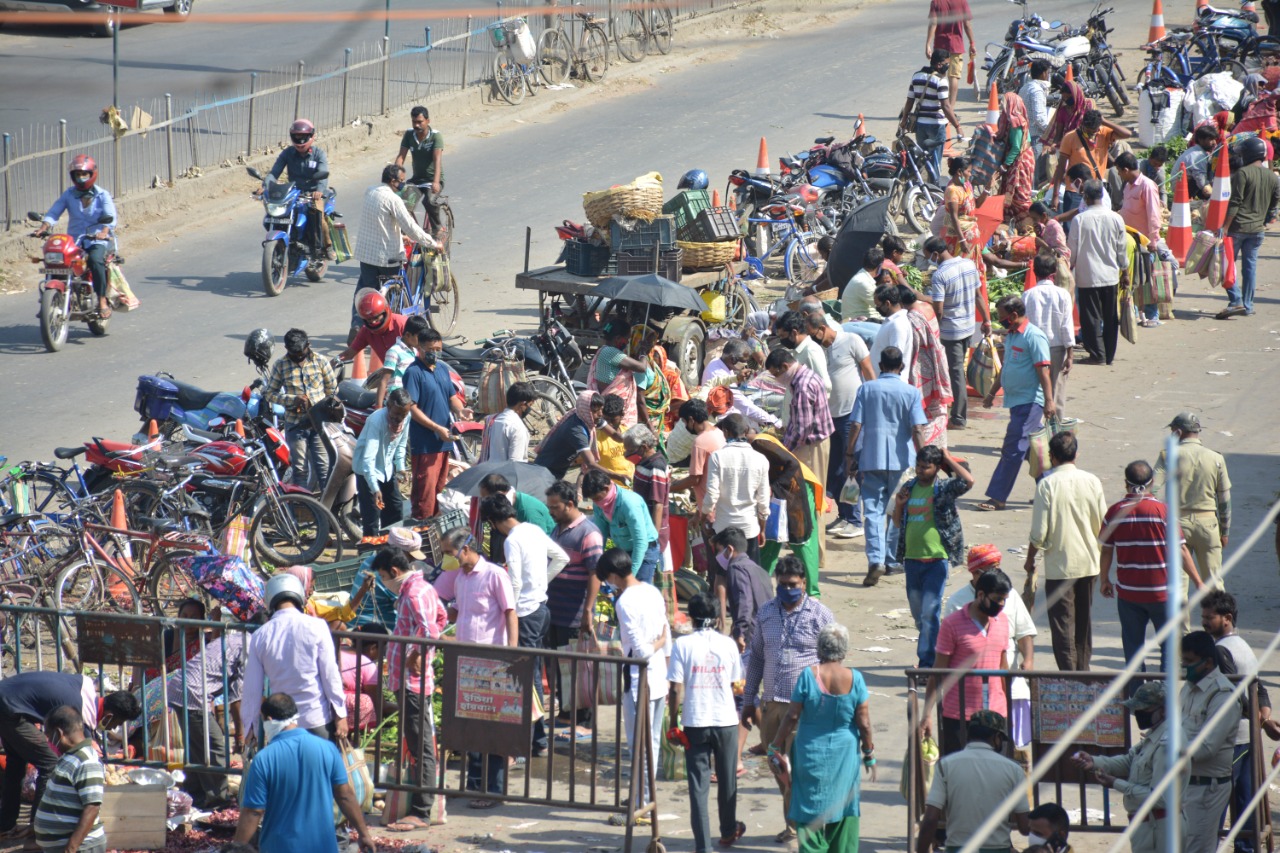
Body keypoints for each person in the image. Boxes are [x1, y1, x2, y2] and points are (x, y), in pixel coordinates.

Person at [741, 556, 834, 844]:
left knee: (803, 769)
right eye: (782, 585)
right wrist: (748, 700)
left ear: (804, 583)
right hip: (771, 705)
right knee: (778, 766)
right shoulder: (766, 612)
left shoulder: (821, 616)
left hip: (806, 708)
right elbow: (756, 658)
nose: (787, 589)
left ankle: (802, 826)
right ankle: (794, 820)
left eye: (792, 585)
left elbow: (832, 664)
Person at [768, 624, 874, 853]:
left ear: (819, 650)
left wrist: (775, 745)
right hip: (845, 755)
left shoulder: (808, 675)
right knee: (843, 810)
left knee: (810, 809)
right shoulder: (856, 679)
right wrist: (869, 753)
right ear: (844, 651)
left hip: (810, 753)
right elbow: (864, 723)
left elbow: (791, 716)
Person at [0, 675, 140, 840]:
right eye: (116, 723)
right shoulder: (78, 708)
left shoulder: (84, 687)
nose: (114, 727)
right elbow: (75, 748)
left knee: (16, 762)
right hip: (10, 709)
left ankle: (5, 825)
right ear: (108, 716)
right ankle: (38, 832)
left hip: (7, 701)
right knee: (50, 763)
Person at [233, 693, 376, 853]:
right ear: (295, 716)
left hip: (279, 846)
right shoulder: (327, 748)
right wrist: (364, 834)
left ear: (269, 720)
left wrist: (236, 847)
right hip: (323, 847)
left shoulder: (263, 759)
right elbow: (345, 796)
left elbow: (253, 811)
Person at [482, 493, 568, 754]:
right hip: (542, 609)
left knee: (527, 679)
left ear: (494, 522)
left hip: (526, 615)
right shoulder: (532, 529)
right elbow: (562, 558)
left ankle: (533, 741)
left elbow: (516, 583)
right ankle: (536, 739)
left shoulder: (512, 541)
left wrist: (512, 613)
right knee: (533, 674)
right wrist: (541, 584)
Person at [1099, 460, 1203, 672]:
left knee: (1133, 650)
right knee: (1168, 648)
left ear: (1125, 484)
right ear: (1152, 482)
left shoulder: (1114, 512)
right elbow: (1181, 550)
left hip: (1129, 595)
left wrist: (1104, 580)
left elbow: (1107, 549)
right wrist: (1199, 582)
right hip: (1162, 595)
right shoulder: (1163, 511)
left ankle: (1138, 699)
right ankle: (1164, 697)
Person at [441, 527, 517, 805]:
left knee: (491, 729)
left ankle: (493, 791)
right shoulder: (460, 578)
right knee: (470, 727)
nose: (447, 558)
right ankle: (475, 785)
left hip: (493, 662)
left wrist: (512, 652)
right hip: (466, 660)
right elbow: (458, 611)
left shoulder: (495, 575)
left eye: (449, 552)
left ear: (465, 549)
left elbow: (510, 613)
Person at [1202, 590, 1280, 853]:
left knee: (1215, 804)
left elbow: (1236, 696)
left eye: (1208, 617)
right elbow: (1259, 690)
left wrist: (1263, 722)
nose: (1203, 622)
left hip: (1232, 740)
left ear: (1226, 618)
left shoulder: (1220, 650)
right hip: (1248, 739)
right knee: (1246, 804)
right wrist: (1265, 718)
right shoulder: (1243, 646)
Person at [668, 593, 746, 853]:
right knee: (727, 781)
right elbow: (738, 686)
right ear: (715, 618)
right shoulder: (729, 644)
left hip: (695, 722)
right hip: (725, 721)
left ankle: (703, 846)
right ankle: (727, 831)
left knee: (698, 787)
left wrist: (672, 721)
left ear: (690, 617)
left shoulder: (682, 645)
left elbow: (676, 689)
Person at [375, 547, 447, 829]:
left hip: (412, 681)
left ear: (393, 571)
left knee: (421, 746)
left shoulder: (416, 593)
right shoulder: (419, 589)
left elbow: (429, 629)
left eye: (383, 576)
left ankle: (421, 811)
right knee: (418, 743)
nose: (383, 582)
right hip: (407, 678)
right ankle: (421, 807)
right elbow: (441, 618)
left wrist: (417, 654)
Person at [1025, 432, 1106, 671]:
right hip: (1089, 563)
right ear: (1076, 454)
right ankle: (1083, 672)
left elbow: (1039, 534)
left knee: (1062, 625)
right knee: (1083, 623)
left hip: (1061, 566)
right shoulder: (1092, 481)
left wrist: (1030, 560)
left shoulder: (1047, 484)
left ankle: (1071, 677)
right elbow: (1103, 524)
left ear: (1051, 457)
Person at [846, 346, 927, 586]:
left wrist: (850, 452)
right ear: (901, 367)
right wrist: (925, 459)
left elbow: (856, 425)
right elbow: (918, 429)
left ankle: (876, 559)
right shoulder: (911, 392)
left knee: (872, 511)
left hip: (871, 458)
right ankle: (891, 560)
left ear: (880, 366)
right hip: (903, 461)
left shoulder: (866, 389)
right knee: (898, 510)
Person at [596, 548, 669, 813]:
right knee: (652, 742)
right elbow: (665, 631)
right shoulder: (651, 591)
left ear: (614, 575)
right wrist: (663, 649)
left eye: (608, 578)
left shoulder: (625, 602)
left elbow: (642, 651)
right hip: (658, 676)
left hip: (642, 680)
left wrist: (658, 643)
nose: (608, 584)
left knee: (639, 743)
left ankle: (642, 801)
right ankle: (642, 796)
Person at [891, 444, 975, 667]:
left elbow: (968, 481)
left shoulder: (944, 488)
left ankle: (928, 664)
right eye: (918, 466)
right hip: (911, 561)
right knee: (920, 617)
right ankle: (938, 649)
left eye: (926, 467)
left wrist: (948, 458)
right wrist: (899, 505)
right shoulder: (908, 488)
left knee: (930, 614)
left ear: (937, 468)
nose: (920, 471)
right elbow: (897, 522)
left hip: (937, 561)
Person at [1072, 682, 1179, 853]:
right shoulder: (1154, 735)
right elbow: (1130, 761)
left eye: (1143, 710)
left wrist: (1115, 783)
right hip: (1147, 826)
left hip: (1160, 828)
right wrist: (1094, 761)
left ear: (1164, 710)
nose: (1138, 715)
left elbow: (1161, 798)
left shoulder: (1169, 743)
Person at [242, 573, 347, 743]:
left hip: (281, 724)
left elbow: (251, 688)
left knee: (285, 769)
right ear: (299, 596)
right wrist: (340, 714)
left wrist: (250, 726)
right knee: (320, 769)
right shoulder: (318, 626)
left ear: (270, 601)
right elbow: (330, 674)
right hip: (316, 718)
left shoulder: (260, 635)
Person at [922, 569, 1012, 755]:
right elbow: (938, 671)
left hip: (996, 715)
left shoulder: (1002, 621)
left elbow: (1003, 667)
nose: (1001, 604)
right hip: (959, 716)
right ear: (981, 595)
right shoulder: (952, 624)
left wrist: (1009, 709)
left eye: (1004, 599)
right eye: (997, 599)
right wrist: (926, 714)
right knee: (960, 776)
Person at [979, 295, 1055, 511]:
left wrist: (1049, 401)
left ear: (1013, 315)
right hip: (1016, 402)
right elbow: (1006, 367)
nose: (1001, 321)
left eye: (1003, 317)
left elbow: (1044, 371)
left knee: (1012, 449)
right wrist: (992, 393)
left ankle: (998, 497)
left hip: (1030, 402)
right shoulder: (1012, 335)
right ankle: (1051, 493)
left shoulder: (1034, 336)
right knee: (1034, 451)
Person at [917, 710, 1030, 853]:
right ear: (996, 737)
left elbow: (930, 819)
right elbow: (1025, 827)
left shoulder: (946, 765)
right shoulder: (1014, 770)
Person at [166, 611, 246, 809]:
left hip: (180, 687)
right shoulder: (248, 645)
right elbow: (236, 697)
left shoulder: (233, 638)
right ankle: (218, 800)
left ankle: (195, 793)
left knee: (196, 745)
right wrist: (241, 734)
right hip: (193, 693)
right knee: (215, 746)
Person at [805, 312, 873, 539]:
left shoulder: (850, 340)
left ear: (822, 328)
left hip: (851, 414)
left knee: (850, 468)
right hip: (829, 417)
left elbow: (868, 372)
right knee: (834, 470)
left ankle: (855, 519)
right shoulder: (820, 351)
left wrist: (871, 408)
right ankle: (844, 515)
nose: (814, 339)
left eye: (814, 334)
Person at [1180, 631, 1246, 853]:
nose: (1184, 666)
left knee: (1196, 847)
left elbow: (1206, 747)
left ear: (1208, 662)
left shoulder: (1223, 695)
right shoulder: (1188, 689)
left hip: (1207, 788)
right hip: (1184, 783)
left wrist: (1168, 749)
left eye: (1189, 661)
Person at [1153, 411, 1232, 592]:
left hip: (1177, 525)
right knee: (1214, 583)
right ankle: (1219, 619)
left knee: (1178, 585)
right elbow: (1224, 500)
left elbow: (1153, 490)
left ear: (1178, 432)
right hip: (1208, 525)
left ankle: (1182, 622)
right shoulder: (1216, 458)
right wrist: (1225, 531)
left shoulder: (1167, 456)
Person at [35, 155, 117, 318]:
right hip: (75, 240)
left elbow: (110, 216)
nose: (81, 178)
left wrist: (104, 232)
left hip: (97, 240)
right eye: (77, 174)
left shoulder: (102, 195)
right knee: (55, 261)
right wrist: (44, 226)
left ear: (92, 174)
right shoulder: (69, 194)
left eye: (84, 174)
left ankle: (101, 300)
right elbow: (54, 211)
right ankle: (49, 300)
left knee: (95, 260)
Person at [750, 422, 825, 596]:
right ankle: (760, 589)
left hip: (798, 490)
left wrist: (774, 487)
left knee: (802, 540)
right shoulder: (755, 446)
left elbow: (792, 464)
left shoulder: (759, 444)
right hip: (780, 492)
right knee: (769, 539)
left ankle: (812, 593)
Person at [920, 236, 987, 429]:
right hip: (968, 326)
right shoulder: (968, 264)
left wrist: (921, 299)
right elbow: (978, 295)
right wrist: (987, 320)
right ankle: (954, 410)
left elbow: (939, 308)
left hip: (952, 331)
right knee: (957, 370)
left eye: (928, 256)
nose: (929, 260)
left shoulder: (940, 275)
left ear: (935, 254)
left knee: (956, 372)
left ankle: (958, 417)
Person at [404, 327, 470, 519]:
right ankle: (423, 533)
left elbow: (452, 397)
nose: (435, 354)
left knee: (439, 491)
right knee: (425, 494)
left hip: (444, 441)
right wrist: (436, 428)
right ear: (420, 348)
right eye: (430, 350)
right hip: (425, 444)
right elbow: (412, 408)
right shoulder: (413, 373)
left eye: (438, 349)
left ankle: (436, 532)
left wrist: (461, 410)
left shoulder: (441, 369)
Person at [261, 328, 338, 490]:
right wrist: (292, 400)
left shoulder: (320, 361)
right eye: (293, 353)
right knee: (300, 471)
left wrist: (319, 404)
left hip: (318, 426)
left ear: (308, 345)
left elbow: (332, 389)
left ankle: (327, 512)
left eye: (300, 352)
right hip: (295, 425)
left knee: (324, 470)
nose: (297, 356)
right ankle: (302, 508)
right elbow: (269, 394)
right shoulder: (280, 365)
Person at [351, 168, 435, 315]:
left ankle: (357, 325)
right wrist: (432, 243)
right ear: (393, 181)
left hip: (366, 255)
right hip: (388, 258)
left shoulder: (370, 191)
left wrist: (401, 237)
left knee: (364, 294)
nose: (403, 184)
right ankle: (393, 323)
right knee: (394, 297)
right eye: (401, 181)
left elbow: (378, 222)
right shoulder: (393, 199)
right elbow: (411, 227)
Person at [765, 349, 834, 526]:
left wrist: (784, 450)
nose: (776, 379)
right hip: (814, 443)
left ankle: (813, 548)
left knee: (810, 499)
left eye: (776, 374)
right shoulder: (807, 376)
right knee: (812, 496)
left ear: (785, 367)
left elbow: (802, 429)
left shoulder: (802, 386)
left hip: (810, 446)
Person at [943, 546, 1037, 672]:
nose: (1001, 603)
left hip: (1010, 675)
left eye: (998, 568)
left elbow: (1024, 632)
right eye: (992, 568)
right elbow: (945, 652)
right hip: (970, 679)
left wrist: (1028, 661)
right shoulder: (956, 602)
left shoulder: (1010, 594)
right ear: (975, 572)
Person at [1067, 180, 1129, 366]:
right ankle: (1108, 354)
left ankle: (1097, 354)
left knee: (1091, 317)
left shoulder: (1080, 219)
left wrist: (1069, 269)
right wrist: (1124, 271)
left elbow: (1073, 249)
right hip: (1110, 275)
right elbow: (1121, 249)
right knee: (1110, 316)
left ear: (1085, 197)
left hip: (1088, 276)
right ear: (1102, 196)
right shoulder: (1116, 218)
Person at [1220, 134, 1280, 318]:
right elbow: (1275, 201)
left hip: (1237, 227)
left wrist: (1225, 227)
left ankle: (1236, 300)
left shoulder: (1242, 173)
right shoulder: (1272, 176)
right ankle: (1248, 305)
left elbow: (1235, 202)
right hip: (1257, 230)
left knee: (1226, 265)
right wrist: (1265, 218)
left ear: (1249, 154)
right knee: (1250, 267)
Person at [33, 706, 106, 853]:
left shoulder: (87, 761)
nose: (49, 742)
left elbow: (92, 807)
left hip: (81, 848)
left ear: (59, 733)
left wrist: (71, 848)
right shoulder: (69, 757)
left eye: (48, 736)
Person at [700, 414, 770, 562]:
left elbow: (712, 495)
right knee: (748, 578)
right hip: (749, 530)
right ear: (746, 431)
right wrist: (762, 528)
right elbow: (763, 500)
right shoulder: (760, 459)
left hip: (723, 528)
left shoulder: (717, 457)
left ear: (725, 432)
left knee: (721, 578)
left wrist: (703, 518)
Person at [545, 479, 603, 655]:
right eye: (549, 507)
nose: (550, 511)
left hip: (573, 617)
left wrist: (587, 611)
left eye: (555, 507)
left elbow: (596, 573)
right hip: (552, 612)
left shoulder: (589, 533)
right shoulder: (557, 529)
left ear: (569, 504)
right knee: (553, 666)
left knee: (569, 671)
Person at [265, 119, 334, 260]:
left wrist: (319, 190)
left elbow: (323, 175)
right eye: (296, 137)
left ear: (312, 136)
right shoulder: (288, 153)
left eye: (304, 137)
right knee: (274, 215)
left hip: (313, 195)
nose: (300, 141)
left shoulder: (318, 154)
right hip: (293, 193)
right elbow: (274, 173)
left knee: (318, 218)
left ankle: (327, 247)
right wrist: (265, 186)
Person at [582, 470, 661, 585]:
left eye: (597, 498)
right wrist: (597, 565)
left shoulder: (629, 503)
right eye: (593, 499)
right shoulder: (599, 504)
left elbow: (640, 541)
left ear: (606, 488)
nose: (596, 502)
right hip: (624, 551)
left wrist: (629, 576)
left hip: (645, 551)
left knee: (638, 591)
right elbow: (601, 536)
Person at [351, 387, 411, 537]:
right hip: (367, 472)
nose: (400, 418)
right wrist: (375, 488)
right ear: (388, 406)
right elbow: (368, 459)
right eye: (397, 414)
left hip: (387, 469)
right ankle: (370, 556)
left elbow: (401, 445)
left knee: (395, 508)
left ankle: (391, 546)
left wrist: (401, 467)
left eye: (403, 414)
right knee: (372, 516)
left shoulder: (406, 417)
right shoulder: (376, 421)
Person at [1022, 251, 1074, 416]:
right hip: (1056, 348)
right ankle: (1056, 433)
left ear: (1035, 273)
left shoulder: (1027, 295)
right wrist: (1070, 354)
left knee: (1035, 391)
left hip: (1033, 349)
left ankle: (1034, 432)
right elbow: (1067, 326)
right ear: (1054, 273)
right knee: (1056, 391)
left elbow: (1024, 326)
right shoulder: (1063, 295)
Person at [901, 49, 963, 178]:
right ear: (939, 65)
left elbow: (909, 101)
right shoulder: (940, 81)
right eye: (947, 64)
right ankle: (934, 187)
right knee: (935, 160)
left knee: (923, 158)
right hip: (936, 126)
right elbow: (946, 106)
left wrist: (904, 120)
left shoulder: (916, 76)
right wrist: (957, 126)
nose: (948, 67)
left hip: (920, 125)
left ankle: (923, 185)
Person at [535, 391, 614, 481]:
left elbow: (615, 435)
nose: (600, 414)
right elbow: (591, 463)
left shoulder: (589, 417)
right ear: (586, 410)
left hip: (558, 470)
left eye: (601, 409)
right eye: (596, 410)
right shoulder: (576, 430)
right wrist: (617, 476)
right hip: (545, 471)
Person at [701, 339, 781, 428]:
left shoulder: (718, 362)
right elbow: (743, 405)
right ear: (733, 359)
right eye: (743, 361)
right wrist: (772, 421)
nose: (745, 364)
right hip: (722, 419)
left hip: (730, 408)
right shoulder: (718, 373)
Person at [624, 424, 672, 572]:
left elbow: (657, 505)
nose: (626, 454)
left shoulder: (656, 467)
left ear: (643, 447)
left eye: (630, 450)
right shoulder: (644, 463)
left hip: (652, 533)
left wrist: (653, 540)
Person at [394, 105, 447, 237]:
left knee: (428, 201)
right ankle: (409, 231)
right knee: (403, 203)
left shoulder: (435, 136)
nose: (416, 125)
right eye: (414, 122)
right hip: (417, 180)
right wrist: (394, 177)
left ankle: (438, 228)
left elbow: (437, 160)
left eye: (419, 122)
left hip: (433, 180)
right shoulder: (409, 135)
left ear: (428, 121)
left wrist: (436, 182)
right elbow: (401, 157)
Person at [590, 320, 651, 429]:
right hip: (613, 407)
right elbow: (642, 367)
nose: (628, 343)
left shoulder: (604, 350)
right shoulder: (611, 352)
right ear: (618, 338)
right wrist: (643, 353)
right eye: (627, 339)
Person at [1052, 108, 1133, 189]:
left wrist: (1105, 121)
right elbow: (1061, 167)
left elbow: (1127, 134)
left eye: (1093, 132)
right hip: (1075, 189)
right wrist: (1055, 195)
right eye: (1088, 131)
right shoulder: (1070, 137)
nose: (1090, 134)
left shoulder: (1104, 133)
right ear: (1082, 124)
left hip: (1096, 188)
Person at [670, 399, 726, 507]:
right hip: (719, 498)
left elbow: (694, 479)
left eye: (685, 422)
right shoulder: (719, 433)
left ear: (691, 420)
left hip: (709, 503)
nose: (685, 425)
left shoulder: (699, 442)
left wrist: (669, 487)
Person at [925, 0, 974, 111]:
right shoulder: (962, 1)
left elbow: (933, 23)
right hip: (956, 45)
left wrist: (928, 44)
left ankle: (939, 106)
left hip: (940, 45)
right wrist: (972, 43)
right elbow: (967, 24)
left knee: (939, 75)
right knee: (954, 77)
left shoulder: (936, 2)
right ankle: (950, 109)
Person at [997, 92, 1037, 226]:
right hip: (1023, 157)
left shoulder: (1016, 122)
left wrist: (1004, 166)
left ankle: (1028, 224)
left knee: (1020, 196)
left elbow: (1016, 148)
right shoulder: (1015, 119)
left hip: (1021, 162)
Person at [340, 289, 409, 363]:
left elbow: (420, 348)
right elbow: (349, 353)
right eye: (369, 319)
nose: (373, 322)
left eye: (376, 317)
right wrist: (329, 365)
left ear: (384, 313)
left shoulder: (402, 323)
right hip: (391, 370)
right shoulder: (366, 331)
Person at [376, 313, 429, 408]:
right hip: (397, 403)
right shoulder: (394, 352)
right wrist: (378, 408)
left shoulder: (415, 351)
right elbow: (384, 381)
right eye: (419, 338)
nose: (421, 341)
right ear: (408, 335)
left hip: (410, 398)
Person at [941, 156, 984, 274]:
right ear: (959, 172)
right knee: (960, 270)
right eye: (968, 171)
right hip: (960, 239)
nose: (970, 174)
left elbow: (977, 204)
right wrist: (962, 240)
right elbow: (954, 217)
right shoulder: (952, 190)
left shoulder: (965, 186)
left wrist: (988, 189)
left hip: (971, 237)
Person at [479, 381, 537, 464]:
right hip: (504, 475)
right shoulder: (517, 427)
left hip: (488, 472)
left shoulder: (491, 420)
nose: (529, 409)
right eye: (530, 405)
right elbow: (516, 464)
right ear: (523, 404)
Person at [776, 311, 832, 393]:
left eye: (783, 336)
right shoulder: (797, 352)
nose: (781, 340)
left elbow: (825, 385)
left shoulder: (810, 351)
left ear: (794, 333)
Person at [1020, 60, 1052, 180]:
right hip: (1035, 137)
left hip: (1025, 134)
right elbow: (1039, 118)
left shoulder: (1025, 87)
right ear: (1043, 74)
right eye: (1048, 72)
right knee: (1034, 173)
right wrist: (1050, 132)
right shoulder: (1037, 91)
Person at [1173, 125, 1220, 203]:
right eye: (1210, 139)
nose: (1214, 143)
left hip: (1188, 185)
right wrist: (1217, 198)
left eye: (1214, 139)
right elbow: (1203, 183)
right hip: (1180, 189)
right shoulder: (1198, 156)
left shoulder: (1196, 150)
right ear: (1200, 140)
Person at [596, 394, 635, 482]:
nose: (609, 424)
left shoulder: (628, 432)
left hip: (632, 483)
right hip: (611, 488)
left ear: (622, 415)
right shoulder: (596, 439)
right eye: (605, 420)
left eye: (613, 420)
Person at [842, 246, 883, 322]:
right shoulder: (863, 282)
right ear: (879, 266)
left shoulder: (862, 277)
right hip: (859, 322)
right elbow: (882, 305)